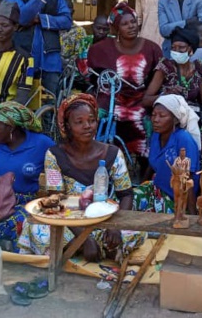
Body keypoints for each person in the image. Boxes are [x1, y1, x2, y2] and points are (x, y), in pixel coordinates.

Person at [18, 94, 145, 262]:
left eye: (91, 120)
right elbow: (56, 200)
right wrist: (84, 239)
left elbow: (126, 194)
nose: (87, 126)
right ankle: (91, 247)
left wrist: (115, 226)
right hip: (68, 220)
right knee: (37, 228)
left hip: (104, 217)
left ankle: (77, 249)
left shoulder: (113, 153)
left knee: (136, 230)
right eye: (79, 122)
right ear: (67, 126)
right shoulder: (54, 155)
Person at [0, 102, 54, 247]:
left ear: (11, 128)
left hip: (20, 202)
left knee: (20, 224)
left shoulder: (41, 144)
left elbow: (58, 170)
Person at [87, 2, 162, 161]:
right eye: (125, 24)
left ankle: (144, 165)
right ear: (116, 28)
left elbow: (161, 73)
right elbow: (92, 75)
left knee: (148, 123)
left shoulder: (152, 48)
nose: (131, 26)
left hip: (141, 100)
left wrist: (149, 96)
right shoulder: (101, 49)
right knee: (97, 116)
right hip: (111, 99)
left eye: (133, 22)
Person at [136, 94, 201, 213]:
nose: (155, 120)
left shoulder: (184, 140)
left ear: (175, 119)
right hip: (157, 189)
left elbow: (188, 180)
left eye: (162, 116)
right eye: (154, 115)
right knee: (130, 199)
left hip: (175, 199)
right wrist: (141, 186)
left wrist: (192, 216)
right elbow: (154, 162)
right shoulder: (156, 135)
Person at [144, 26, 202, 113]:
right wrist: (166, 95)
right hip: (168, 116)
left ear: (191, 49)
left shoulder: (197, 68)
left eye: (181, 47)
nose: (176, 51)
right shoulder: (165, 67)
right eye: (173, 47)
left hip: (191, 114)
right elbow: (145, 100)